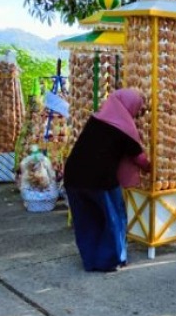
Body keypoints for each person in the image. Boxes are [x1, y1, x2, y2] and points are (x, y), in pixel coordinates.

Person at [64, 89, 149, 272]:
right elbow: (140, 158)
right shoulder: (124, 129)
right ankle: (111, 260)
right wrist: (153, 167)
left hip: (73, 176)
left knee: (86, 220)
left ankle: (90, 260)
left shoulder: (96, 120)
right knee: (113, 218)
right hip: (100, 180)